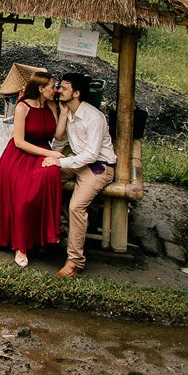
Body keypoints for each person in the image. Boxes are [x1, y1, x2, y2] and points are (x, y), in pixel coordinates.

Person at [0, 64, 63, 267]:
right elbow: (19, 142)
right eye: (52, 87)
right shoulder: (23, 107)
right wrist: (51, 153)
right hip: (20, 155)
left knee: (52, 173)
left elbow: (57, 134)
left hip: (41, 152)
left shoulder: (50, 106)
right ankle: (21, 247)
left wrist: (60, 108)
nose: (55, 90)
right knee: (25, 194)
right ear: (40, 89)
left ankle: (45, 236)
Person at [51, 70, 118, 279]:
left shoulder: (93, 117)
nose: (59, 90)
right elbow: (59, 141)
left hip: (99, 166)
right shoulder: (68, 112)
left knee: (76, 206)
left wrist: (61, 161)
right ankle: (51, 233)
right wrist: (50, 156)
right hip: (77, 161)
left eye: (64, 87)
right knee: (43, 179)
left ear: (77, 93)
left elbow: (91, 155)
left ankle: (75, 261)